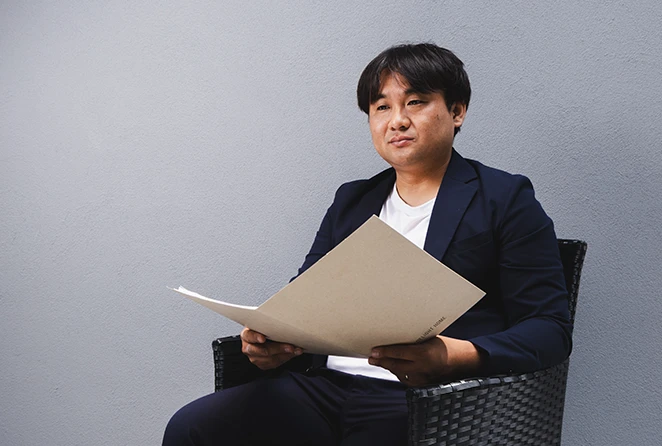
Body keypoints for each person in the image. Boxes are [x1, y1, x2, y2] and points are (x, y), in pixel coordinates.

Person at [163, 42, 572, 446]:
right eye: (382, 107)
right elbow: (304, 299)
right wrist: (270, 341)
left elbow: (549, 329)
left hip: (428, 402)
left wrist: (451, 356)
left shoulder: (505, 198)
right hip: (325, 389)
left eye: (415, 102)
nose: (397, 121)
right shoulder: (352, 201)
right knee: (192, 428)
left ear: (457, 111)